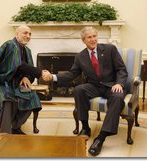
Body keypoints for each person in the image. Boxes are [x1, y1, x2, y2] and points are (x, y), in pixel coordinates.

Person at [43, 26, 128, 156]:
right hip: (94, 86)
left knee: (117, 97)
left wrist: (119, 84)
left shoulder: (110, 49)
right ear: (84, 40)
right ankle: (85, 127)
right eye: (89, 37)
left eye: (94, 36)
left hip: (112, 85)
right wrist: (53, 77)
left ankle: (101, 138)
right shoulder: (80, 57)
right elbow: (72, 74)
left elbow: (121, 69)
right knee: (79, 89)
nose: (93, 39)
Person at [0, 25, 51, 135]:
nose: (28, 36)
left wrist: (26, 77)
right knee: (6, 98)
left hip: (16, 83)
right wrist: (40, 73)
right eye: (25, 33)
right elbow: (18, 64)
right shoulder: (10, 45)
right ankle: (5, 134)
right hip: (0, 81)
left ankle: (15, 127)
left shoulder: (27, 50)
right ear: (17, 34)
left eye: (30, 34)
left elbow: (27, 68)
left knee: (33, 98)